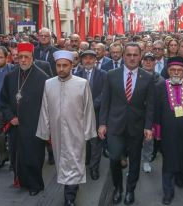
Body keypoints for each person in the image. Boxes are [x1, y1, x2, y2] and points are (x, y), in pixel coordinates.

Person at [36, 50, 96, 206]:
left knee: (75, 161)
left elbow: (88, 109)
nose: (61, 68)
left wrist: (88, 132)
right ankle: (71, 189)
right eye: (58, 65)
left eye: (65, 65)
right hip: (57, 132)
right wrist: (44, 131)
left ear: (72, 65)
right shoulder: (49, 84)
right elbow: (45, 108)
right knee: (62, 162)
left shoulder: (82, 83)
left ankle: (69, 197)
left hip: (76, 131)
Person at [98, 42, 154, 205]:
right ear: (123, 56)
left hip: (136, 127)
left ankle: (130, 190)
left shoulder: (148, 77)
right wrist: (102, 123)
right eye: (128, 55)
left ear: (140, 56)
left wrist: (148, 126)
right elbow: (105, 102)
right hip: (115, 125)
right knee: (115, 158)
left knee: (135, 161)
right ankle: (118, 188)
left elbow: (151, 105)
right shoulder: (111, 75)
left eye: (135, 55)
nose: (132, 58)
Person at [0, 42, 49, 196]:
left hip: (34, 125)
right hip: (15, 126)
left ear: (32, 58)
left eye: (26, 57)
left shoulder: (43, 78)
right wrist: (10, 117)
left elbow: (48, 104)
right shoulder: (10, 77)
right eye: (20, 57)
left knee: (33, 157)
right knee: (17, 155)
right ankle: (20, 180)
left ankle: (35, 185)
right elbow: (4, 100)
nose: (22, 60)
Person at [154, 56, 183, 205]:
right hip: (168, 133)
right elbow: (156, 112)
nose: (176, 73)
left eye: (179, 70)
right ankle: (168, 192)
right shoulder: (160, 86)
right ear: (168, 71)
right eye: (173, 70)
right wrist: (157, 134)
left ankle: (180, 179)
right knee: (168, 163)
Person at [74, 50, 107, 180]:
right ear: (81, 60)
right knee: (81, 142)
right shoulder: (76, 75)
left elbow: (105, 93)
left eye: (91, 58)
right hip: (79, 115)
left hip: (96, 114)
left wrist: (91, 105)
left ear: (95, 60)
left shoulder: (103, 74)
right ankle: (83, 164)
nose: (88, 61)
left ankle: (94, 168)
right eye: (85, 58)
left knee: (95, 143)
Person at [141, 52, 164, 173]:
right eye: (146, 60)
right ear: (142, 61)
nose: (148, 62)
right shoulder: (136, 75)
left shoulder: (160, 80)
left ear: (155, 62)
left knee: (148, 139)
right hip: (136, 113)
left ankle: (146, 160)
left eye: (151, 60)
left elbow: (161, 101)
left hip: (151, 115)